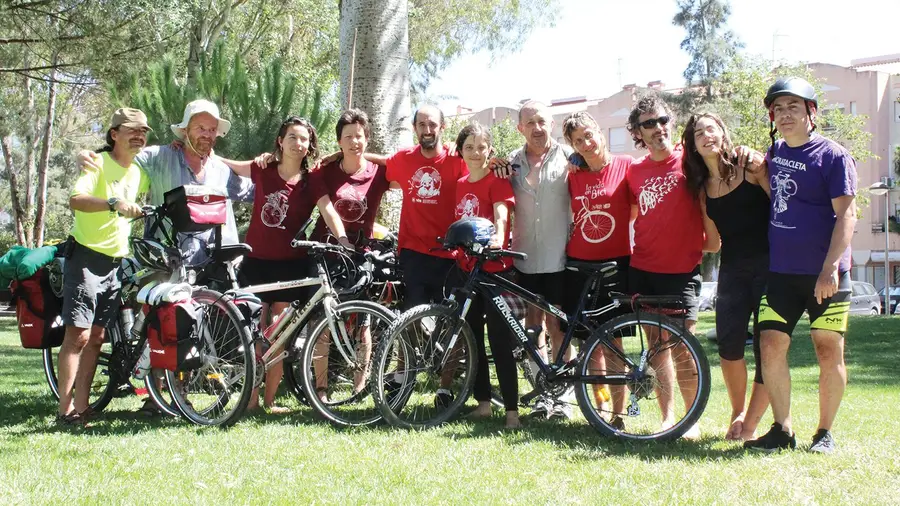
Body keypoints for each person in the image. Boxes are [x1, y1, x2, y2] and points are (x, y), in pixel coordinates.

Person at [744, 78, 857, 453]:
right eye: (778, 108)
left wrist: (830, 268)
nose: (785, 114)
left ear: (811, 112)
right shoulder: (774, 153)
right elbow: (777, 198)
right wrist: (759, 174)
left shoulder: (833, 156)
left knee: (828, 349)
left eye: (794, 106)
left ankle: (824, 433)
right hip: (782, 274)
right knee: (770, 343)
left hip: (825, 275)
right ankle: (782, 429)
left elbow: (847, 216)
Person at [221, 116, 352, 412]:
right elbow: (231, 166)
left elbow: (328, 210)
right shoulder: (263, 168)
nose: (298, 143)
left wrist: (342, 238)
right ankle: (250, 401)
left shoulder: (312, 180)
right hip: (255, 264)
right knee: (254, 335)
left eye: (304, 139)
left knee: (279, 338)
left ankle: (269, 401)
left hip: (290, 267)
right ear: (281, 141)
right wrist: (206, 152)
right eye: (292, 137)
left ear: (309, 146)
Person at [625, 94, 720, 439]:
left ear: (672, 123)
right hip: (644, 268)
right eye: (648, 123)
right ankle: (668, 419)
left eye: (662, 120)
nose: (658, 128)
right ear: (638, 131)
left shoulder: (690, 163)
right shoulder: (633, 171)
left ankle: (690, 420)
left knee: (684, 348)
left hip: (682, 271)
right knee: (656, 348)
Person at [79, 99, 254, 268]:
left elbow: (259, 192)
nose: (207, 134)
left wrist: (274, 163)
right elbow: (119, 157)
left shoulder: (222, 171)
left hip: (214, 271)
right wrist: (86, 154)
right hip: (165, 268)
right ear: (185, 130)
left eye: (212, 129)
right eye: (200, 128)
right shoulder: (159, 158)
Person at [58, 108, 150, 426]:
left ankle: (83, 408)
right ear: (114, 134)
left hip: (114, 264)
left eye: (144, 131)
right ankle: (65, 410)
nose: (139, 135)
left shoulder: (138, 172)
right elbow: (76, 199)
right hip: (85, 258)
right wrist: (113, 203)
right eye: (132, 130)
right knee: (78, 337)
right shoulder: (98, 163)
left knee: (97, 338)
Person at [682, 112, 771, 441]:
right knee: (729, 344)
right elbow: (714, 242)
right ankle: (737, 411)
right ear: (692, 145)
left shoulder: (748, 166)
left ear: (722, 133)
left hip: (768, 265)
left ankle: (751, 423)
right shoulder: (703, 189)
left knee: (766, 345)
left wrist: (762, 168)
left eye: (711, 128)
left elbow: (779, 202)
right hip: (732, 270)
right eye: (698, 133)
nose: (706, 135)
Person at [495, 101, 576, 419]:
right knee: (533, 326)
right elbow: (494, 186)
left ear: (552, 124)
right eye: (530, 122)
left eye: (542, 121)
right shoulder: (511, 162)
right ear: (520, 128)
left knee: (559, 327)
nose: (537, 128)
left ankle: (564, 397)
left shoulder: (571, 158)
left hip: (560, 255)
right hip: (525, 256)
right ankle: (545, 393)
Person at [561, 111, 634, 428]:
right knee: (590, 349)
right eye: (578, 141)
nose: (586, 143)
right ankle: (600, 412)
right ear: (572, 146)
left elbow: (633, 210)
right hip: (578, 266)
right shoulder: (572, 173)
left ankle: (620, 414)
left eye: (589, 135)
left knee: (615, 344)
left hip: (617, 265)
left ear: (600, 132)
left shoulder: (627, 166)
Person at [445, 122, 520, 429]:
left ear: (490, 150)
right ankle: (484, 403)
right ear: (461, 151)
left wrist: (498, 240)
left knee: (500, 342)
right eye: (469, 147)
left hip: (495, 271)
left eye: (481, 147)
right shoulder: (461, 182)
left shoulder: (496, 181)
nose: (476, 153)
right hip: (467, 271)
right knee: (472, 338)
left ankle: (512, 412)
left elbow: (502, 214)